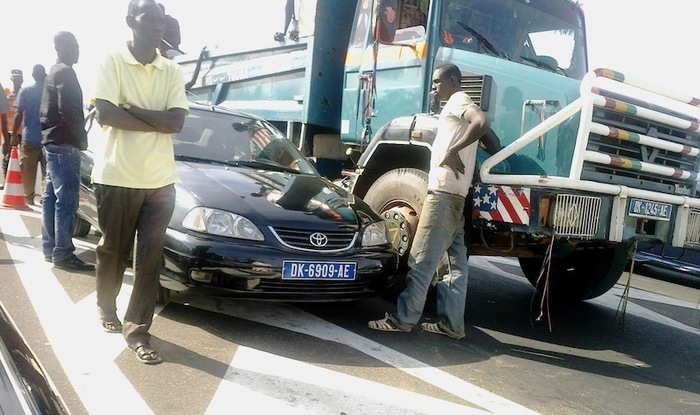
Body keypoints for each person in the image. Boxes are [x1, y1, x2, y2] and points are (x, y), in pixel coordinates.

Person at [367, 63, 498, 339]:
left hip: (442, 197)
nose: (434, 88)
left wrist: (453, 150)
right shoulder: (460, 108)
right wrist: (473, 155)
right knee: (454, 265)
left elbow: (481, 122)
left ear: (452, 81)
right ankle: (452, 325)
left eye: (438, 82)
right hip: (457, 197)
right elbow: (492, 140)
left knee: (422, 261)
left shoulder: (457, 101)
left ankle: (402, 319)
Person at [92, 0, 188, 365]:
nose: (158, 27)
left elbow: (176, 123)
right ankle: (105, 306)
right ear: (131, 21)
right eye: (151, 20)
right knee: (112, 250)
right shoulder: (112, 61)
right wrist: (154, 119)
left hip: (160, 180)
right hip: (118, 175)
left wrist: (131, 109)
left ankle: (138, 331)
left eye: (163, 21)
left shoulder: (171, 71)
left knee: (149, 259)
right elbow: (105, 113)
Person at [40, 32, 94, 272]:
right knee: (67, 201)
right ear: (58, 47)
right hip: (64, 144)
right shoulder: (65, 72)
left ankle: (51, 247)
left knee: (51, 198)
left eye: (78, 45)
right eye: (72, 46)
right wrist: (82, 139)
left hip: (52, 143)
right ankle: (62, 252)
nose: (77, 50)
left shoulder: (54, 71)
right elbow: (70, 110)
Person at [12, 64, 47, 205]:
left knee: (27, 171)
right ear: (45, 75)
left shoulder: (25, 91)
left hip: (30, 138)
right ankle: (45, 198)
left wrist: (14, 134)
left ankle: (29, 197)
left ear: (33, 76)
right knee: (47, 172)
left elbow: (18, 113)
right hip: (47, 139)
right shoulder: (50, 92)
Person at [2, 69, 23, 180]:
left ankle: (19, 182)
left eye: (18, 79)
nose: (16, 81)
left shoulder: (24, 94)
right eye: (14, 79)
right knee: (7, 158)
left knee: (22, 160)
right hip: (9, 131)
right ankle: (7, 181)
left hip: (22, 131)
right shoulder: (6, 93)